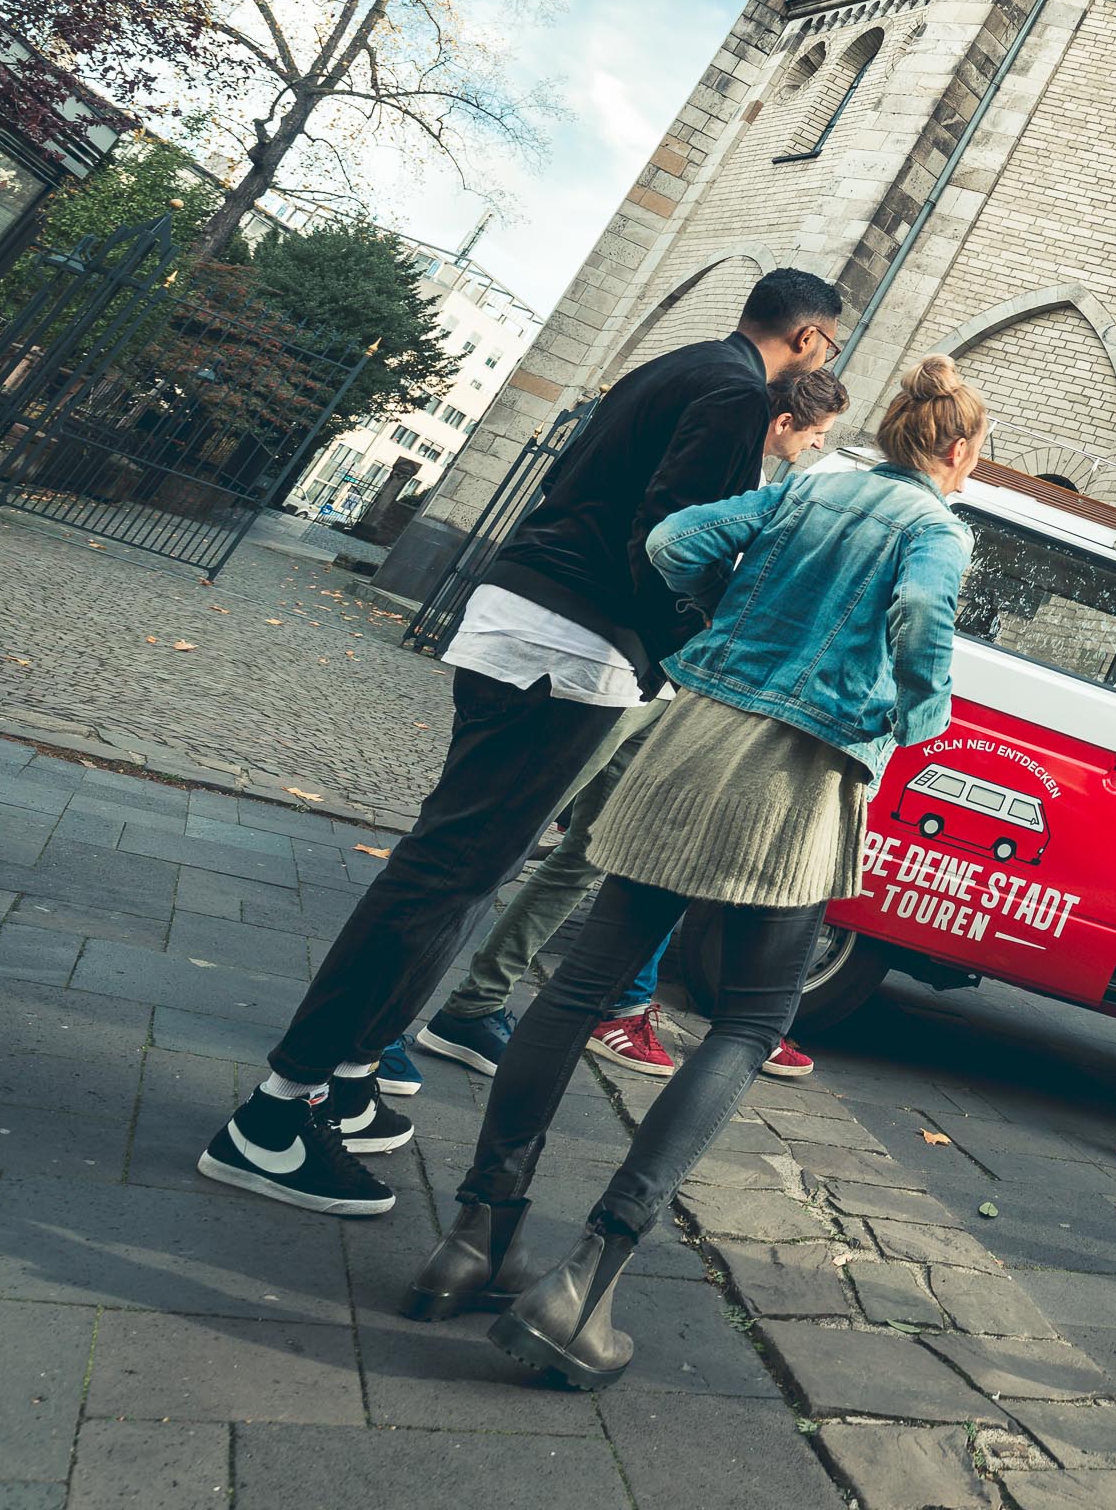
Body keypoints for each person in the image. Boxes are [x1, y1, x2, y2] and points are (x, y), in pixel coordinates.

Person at [196, 266, 845, 1217]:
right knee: (446, 871)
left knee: (458, 872)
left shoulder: (684, 366)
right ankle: (273, 1115)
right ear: (812, 339)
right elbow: (668, 545)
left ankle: (338, 1075)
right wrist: (692, 654)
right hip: (569, 644)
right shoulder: (734, 391)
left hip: (541, 624)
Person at [406, 354, 986, 1389]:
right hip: (796, 768)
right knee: (753, 1019)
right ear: (956, 449)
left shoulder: (808, 485)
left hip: (695, 731)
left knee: (579, 982)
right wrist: (916, 716)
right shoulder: (935, 528)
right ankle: (585, 1281)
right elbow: (918, 623)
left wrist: (712, 621)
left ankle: (475, 1234)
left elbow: (676, 539)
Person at [411, 367, 851, 1093]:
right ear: (785, 425)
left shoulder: (759, 475)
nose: (812, 451)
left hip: (657, 682)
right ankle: (393, 1021)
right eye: (815, 436)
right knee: (510, 836)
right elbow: (670, 548)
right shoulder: (746, 473)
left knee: (584, 850)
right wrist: (710, 608)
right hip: (625, 669)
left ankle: (472, 1005)